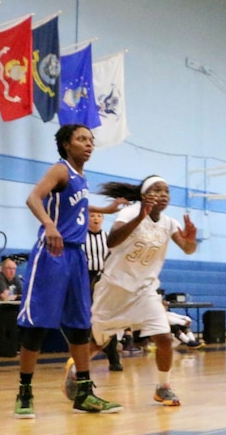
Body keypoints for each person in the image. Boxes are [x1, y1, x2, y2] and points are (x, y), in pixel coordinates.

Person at [14, 124, 119, 417]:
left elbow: (79, 206)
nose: (89, 144)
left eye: (91, 140)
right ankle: (24, 392)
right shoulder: (59, 170)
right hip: (52, 253)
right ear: (66, 144)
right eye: (82, 139)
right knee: (37, 325)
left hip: (75, 256)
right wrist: (49, 225)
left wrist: (107, 211)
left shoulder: (81, 177)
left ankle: (84, 392)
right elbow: (33, 198)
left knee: (80, 325)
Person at [76, 176, 199, 407]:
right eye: (156, 189)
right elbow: (111, 241)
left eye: (167, 190)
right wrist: (140, 216)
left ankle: (163, 387)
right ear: (144, 195)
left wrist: (191, 241)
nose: (163, 194)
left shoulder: (169, 223)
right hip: (115, 287)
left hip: (145, 290)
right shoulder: (130, 213)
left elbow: (188, 249)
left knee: (163, 337)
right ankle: (75, 370)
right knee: (99, 342)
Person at [81, 206, 124, 371]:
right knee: (87, 320)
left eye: (99, 216)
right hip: (85, 279)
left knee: (107, 318)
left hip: (105, 280)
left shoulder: (108, 238)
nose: (96, 218)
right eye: (92, 216)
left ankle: (114, 359)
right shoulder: (80, 237)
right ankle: (83, 361)